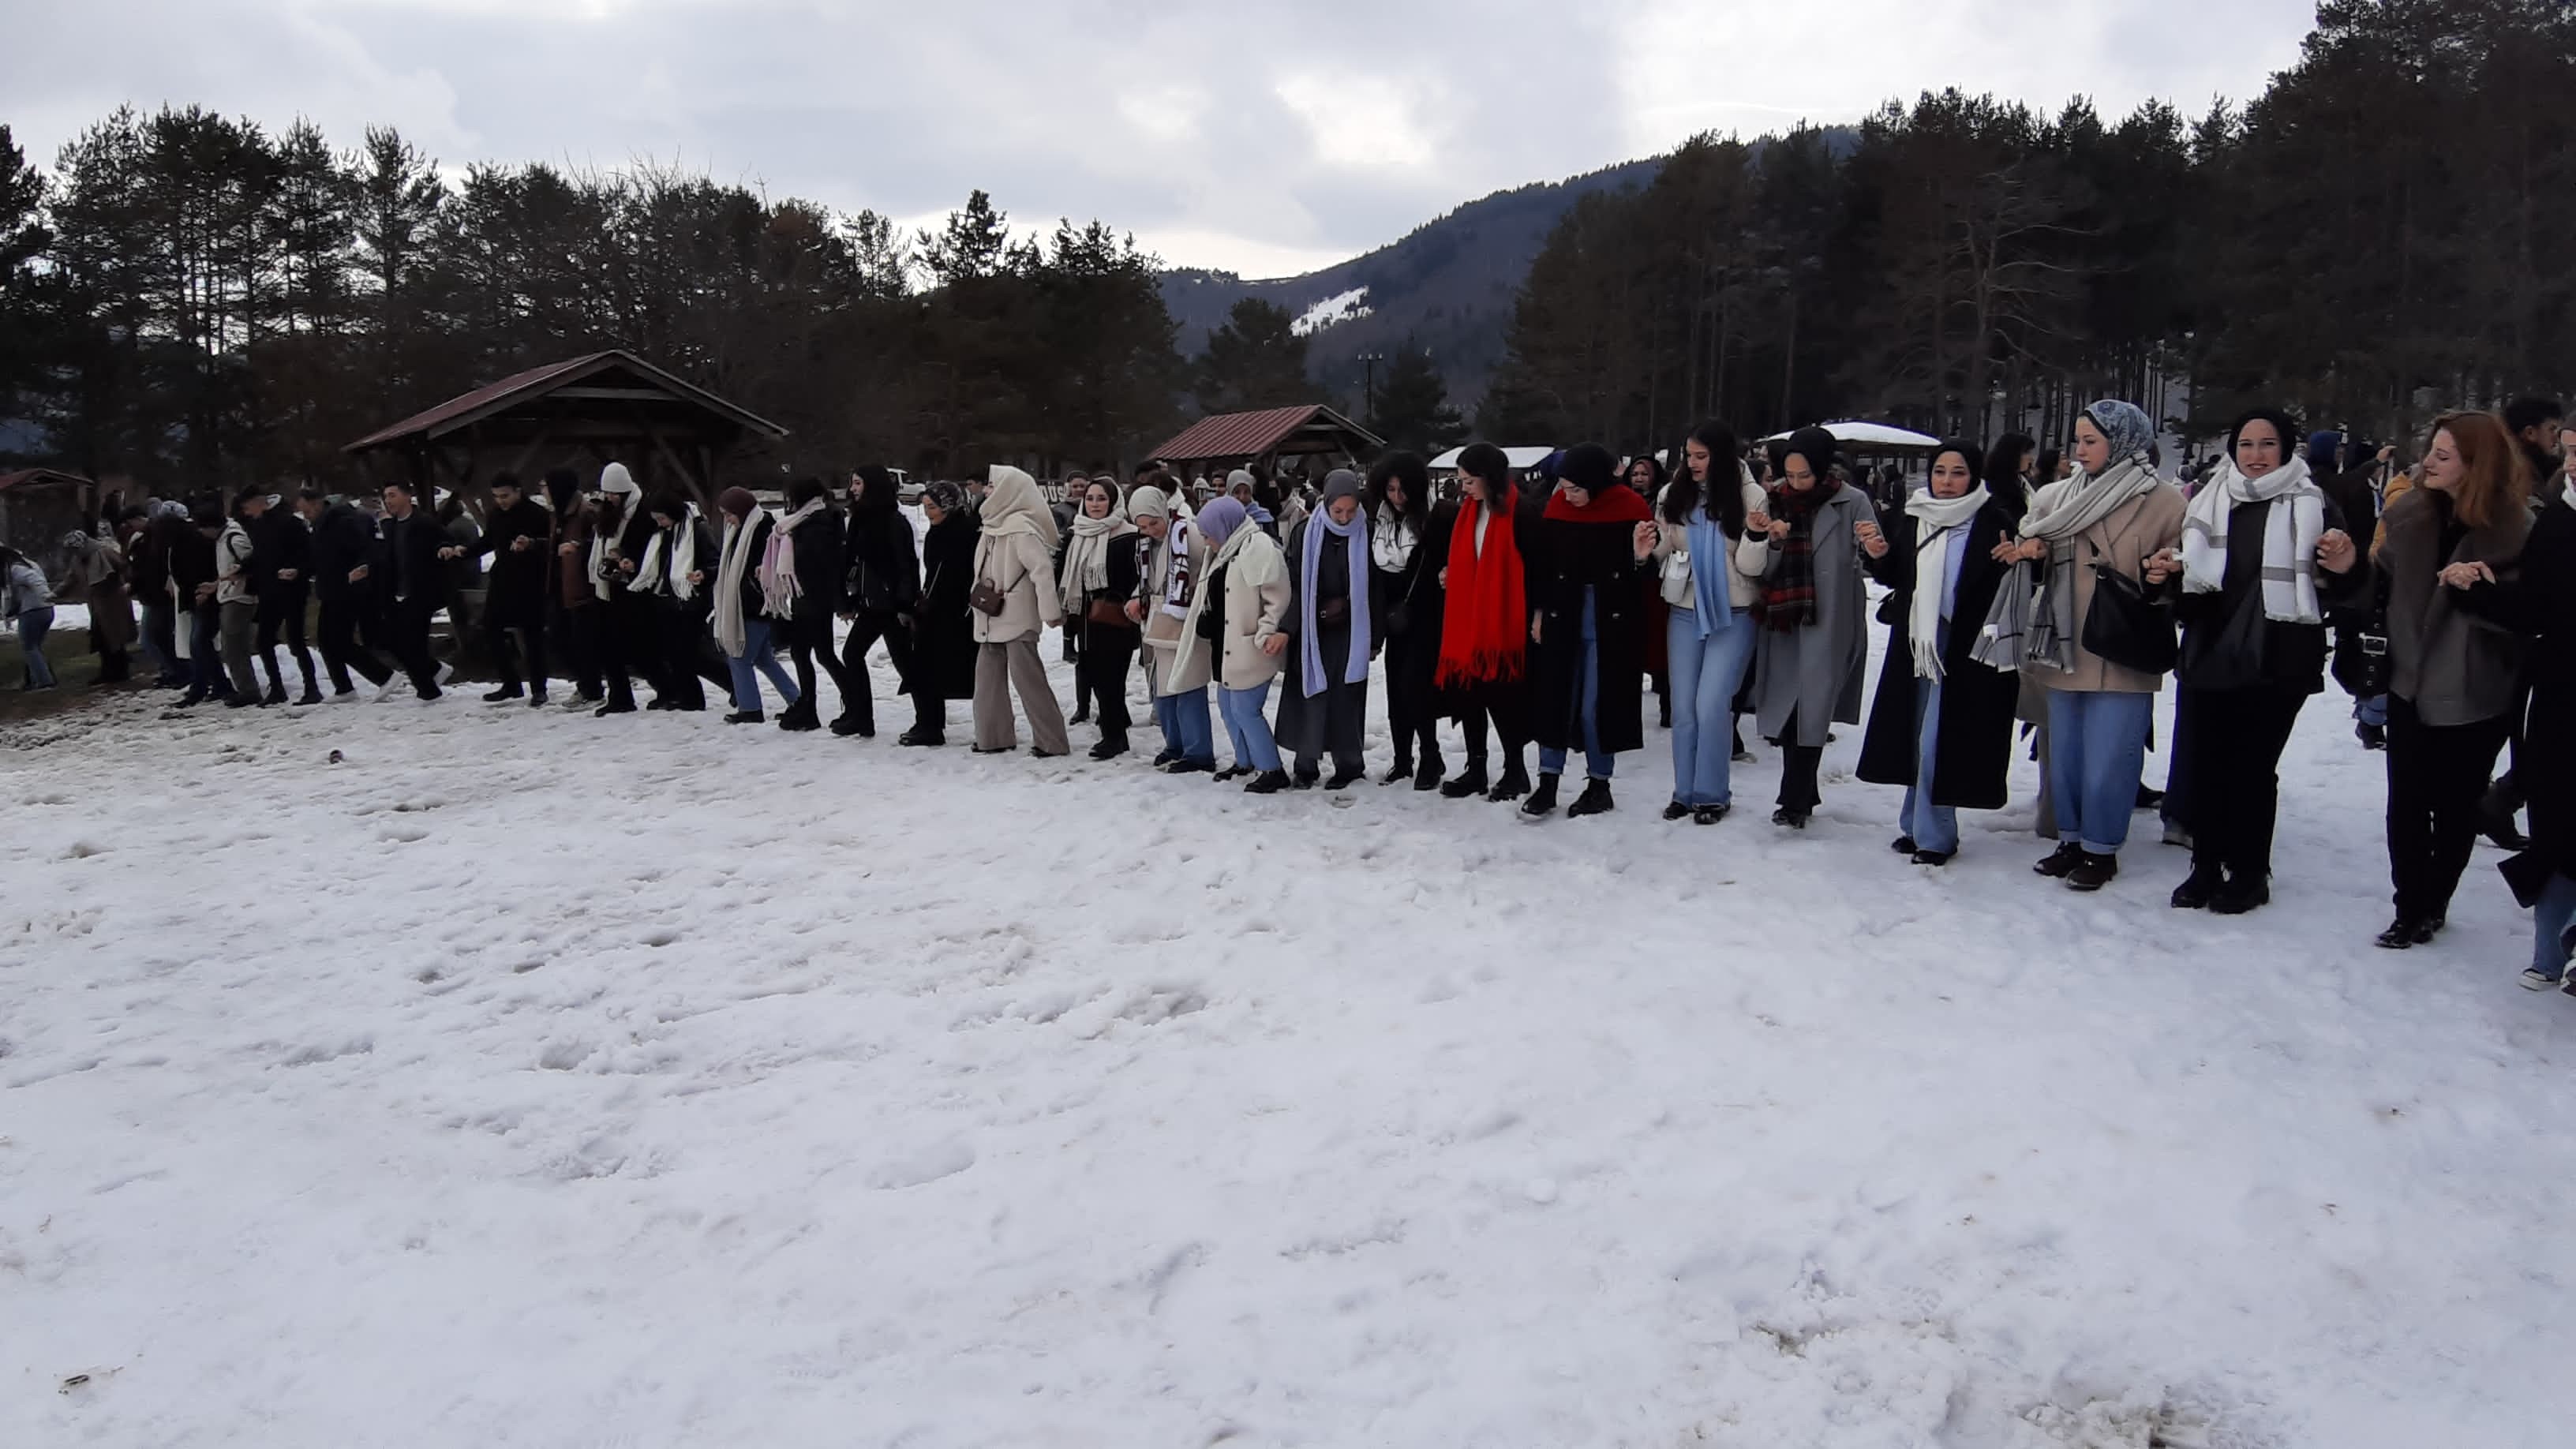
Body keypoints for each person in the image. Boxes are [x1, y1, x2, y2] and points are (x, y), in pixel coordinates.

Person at [2156, 409, 2366, 913]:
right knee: (2207, 763)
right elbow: (2191, 595)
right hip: (2210, 649)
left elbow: (2347, 592)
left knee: (2252, 768)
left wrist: (2345, 565)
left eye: (2267, 444)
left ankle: (2250, 872)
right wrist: (2164, 577)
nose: (2254, 455)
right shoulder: (2208, 502)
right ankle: (2205, 867)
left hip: (2280, 656)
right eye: (2245, 444)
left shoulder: (2316, 504)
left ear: (2288, 448)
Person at [2001, 401, 2185, 889]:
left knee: (2112, 758)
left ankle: (2102, 849)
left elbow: (2184, 576)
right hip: (2063, 640)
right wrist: (2031, 554)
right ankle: (2072, 839)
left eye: (2091, 441)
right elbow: (2028, 550)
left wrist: (2164, 574)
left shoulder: (2165, 500)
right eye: (2077, 440)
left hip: (2124, 642)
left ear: (2123, 441)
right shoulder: (2056, 497)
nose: (2079, 451)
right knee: (2067, 754)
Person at [2373, 411, 2533, 949]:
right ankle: (2408, 906)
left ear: (2476, 464)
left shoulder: (2519, 531)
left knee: (2456, 805)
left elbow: (2531, 618)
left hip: (2476, 693)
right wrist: (2348, 567)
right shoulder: (2410, 516)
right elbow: (2380, 586)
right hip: (2408, 683)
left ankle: (2435, 901)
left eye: (2444, 455)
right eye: (2430, 451)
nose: (2428, 463)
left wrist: (2478, 592)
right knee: (2407, 804)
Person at [1850, 440, 2024, 863]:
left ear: (1975, 476)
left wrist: (2016, 558)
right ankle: (1915, 825)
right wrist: (1876, 554)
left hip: (1967, 648)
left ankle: (1935, 835)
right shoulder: (1915, 516)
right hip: (1918, 642)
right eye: (1940, 471)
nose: (1946, 482)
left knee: (1938, 737)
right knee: (1917, 734)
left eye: (1958, 473)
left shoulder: (1995, 519)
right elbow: (1896, 575)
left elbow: (2016, 575)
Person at [2453, 440, 2575, 991]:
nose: (2572, 464)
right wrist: (2479, 592)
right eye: (2570, 451)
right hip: (2557, 693)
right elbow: (2535, 610)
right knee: (2555, 820)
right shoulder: (2557, 521)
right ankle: (2550, 951)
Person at [1746, 426, 1880, 829]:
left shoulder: (1852, 501)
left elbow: (1874, 551)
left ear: (1822, 469)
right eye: (1791, 474)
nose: (1797, 483)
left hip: (1830, 615)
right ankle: (1801, 793)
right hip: (1784, 616)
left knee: (1812, 708)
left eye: (1805, 475)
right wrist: (1768, 539)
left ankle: (1794, 799)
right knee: (1789, 710)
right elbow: (1759, 571)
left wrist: (1875, 548)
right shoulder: (1773, 502)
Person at [1643, 421, 1767, 824]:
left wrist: (1755, 535)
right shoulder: (1671, 494)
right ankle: (1685, 791)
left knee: (1712, 704)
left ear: (1723, 457)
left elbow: (1752, 567)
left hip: (1733, 612)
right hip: (1685, 608)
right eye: (1688, 455)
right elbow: (1665, 549)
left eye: (1701, 456)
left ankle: (1713, 794)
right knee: (1683, 708)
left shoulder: (1751, 495)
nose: (1692, 463)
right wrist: (1645, 548)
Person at [1522, 443, 1652, 818]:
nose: (1567, 494)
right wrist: (1540, 612)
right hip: (1564, 611)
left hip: (1610, 618)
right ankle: (1547, 781)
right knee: (1555, 696)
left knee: (1597, 704)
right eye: (1563, 486)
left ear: (1595, 483)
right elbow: (1544, 566)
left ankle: (1599, 783)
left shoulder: (1630, 508)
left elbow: (1644, 577)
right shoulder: (1558, 508)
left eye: (1575, 488)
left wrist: (1640, 559)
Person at [1434, 444, 1535, 803]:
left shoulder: (1521, 511)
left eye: (1469, 480)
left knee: (1503, 697)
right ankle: (1476, 768)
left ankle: (1515, 769)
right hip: (1468, 619)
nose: (1463, 487)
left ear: (1489, 478)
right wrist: (1453, 573)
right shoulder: (1468, 512)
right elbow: (1468, 557)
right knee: (1468, 694)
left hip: (1503, 622)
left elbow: (1535, 568)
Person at [1173, 496, 1293, 792]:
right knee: (1228, 706)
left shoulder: (1260, 549)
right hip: (1226, 647)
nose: (1206, 540)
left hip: (1252, 647)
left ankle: (1272, 769)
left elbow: (1277, 598)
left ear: (1223, 527)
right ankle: (1245, 761)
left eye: (1207, 534)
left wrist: (1266, 632)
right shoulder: (1226, 551)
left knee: (1245, 709)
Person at [1276, 470, 1375, 788]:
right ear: (1327, 503)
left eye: (1351, 511)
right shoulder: (1305, 533)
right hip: (1311, 628)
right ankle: (1306, 764)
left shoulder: (1367, 533)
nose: (1345, 518)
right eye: (1338, 511)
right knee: (1312, 695)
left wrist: (1376, 637)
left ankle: (1349, 764)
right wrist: (1288, 628)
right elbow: (1292, 583)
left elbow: (1377, 587)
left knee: (1346, 698)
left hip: (1351, 629)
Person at [969, 465, 1071, 757]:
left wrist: (1050, 611)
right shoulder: (992, 523)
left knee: (1029, 681)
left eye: (992, 485)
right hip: (989, 613)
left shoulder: (1021, 529)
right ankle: (993, 737)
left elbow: (1042, 572)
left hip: (1016, 615)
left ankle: (1052, 741)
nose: (986, 491)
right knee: (987, 682)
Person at [1367, 451, 1448, 789]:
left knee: (1418, 689)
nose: (1397, 498)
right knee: (1395, 691)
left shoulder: (1434, 520)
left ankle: (1431, 755)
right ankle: (1403, 759)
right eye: (1391, 490)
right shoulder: (1380, 520)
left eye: (1403, 490)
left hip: (1425, 616)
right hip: (1392, 617)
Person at [1129, 484, 1217, 774]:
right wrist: (1135, 598)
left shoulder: (1187, 533)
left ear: (1164, 512)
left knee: (1187, 686)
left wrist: (1194, 592)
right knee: (1162, 690)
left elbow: (1210, 565)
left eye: (1153, 523)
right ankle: (1175, 744)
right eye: (1142, 526)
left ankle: (1198, 751)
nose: (1149, 530)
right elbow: (1147, 579)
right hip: (1156, 621)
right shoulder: (1144, 543)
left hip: (1183, 619)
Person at [834, 466, 920, 738]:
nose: (853, 489)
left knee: (905, 663)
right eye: (852, 483)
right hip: (871, 604)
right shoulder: (861, 518)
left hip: (891, 605)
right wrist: (851, 599)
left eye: (858, 483)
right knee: (852, 654)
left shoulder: (893, 521)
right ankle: (861, 719)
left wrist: (905, 605)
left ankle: (929, 721)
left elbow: (906, 565)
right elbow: (857, 564)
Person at [1061, 477, 1142, 759]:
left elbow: (1135, 578)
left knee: (1112, 679)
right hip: (1085, 620)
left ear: (1114, 501)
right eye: (1091, 499)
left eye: (1102, 498)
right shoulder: (1078, 533)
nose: (1095, 504)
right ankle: (1116, 724)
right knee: (1094, 677)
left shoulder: (1129, 534)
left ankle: (1114, 737)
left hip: (1115, 617)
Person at [710, 486, 801, 724]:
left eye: (729, 514)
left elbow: (764, 565)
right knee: (762, 658)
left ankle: (750, 709)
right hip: (747, 602)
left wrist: (754, 582)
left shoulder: (762, 529)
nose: (727, 520)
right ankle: (798, 701)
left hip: (754, 604)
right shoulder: (739, 530)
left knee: (738, 657)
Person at [903, 481, 979, 746]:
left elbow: (951, 573)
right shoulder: (939, 530)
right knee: (926, 669)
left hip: (953, 612)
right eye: (924, 506)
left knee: (929, 668)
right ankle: (929, 723)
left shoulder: (961, 531)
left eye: (932, 507)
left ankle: (930, 725)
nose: (927, 513)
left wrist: (928, 601)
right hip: (938, 609)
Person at [294, 489, 391, 696]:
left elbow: (366, 549)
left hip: (348, 590)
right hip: (330, 590)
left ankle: (384, 676)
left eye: (306, 511)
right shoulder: (319, 527)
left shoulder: (341, 522)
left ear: (317, 504)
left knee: (340, 641)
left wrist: (362, 566)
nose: (305, 516)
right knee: (325, 641)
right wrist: (299, 571)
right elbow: (320, 560)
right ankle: (343, 688)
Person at [770, 476, 848, 732]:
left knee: (822, 654)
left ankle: (851, 700)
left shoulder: (818, 523)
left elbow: (818, 562)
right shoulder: (805, 520)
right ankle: (808, 706)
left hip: (815, 598)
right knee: (802, 653)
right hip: (805, 596)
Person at [470, 473, 554, 706]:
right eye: (496, 496)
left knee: (532, 635)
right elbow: (489, 541)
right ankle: (510, 683)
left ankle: (539, 688)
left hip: (530, 582)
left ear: (518, 491)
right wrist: (464, 552)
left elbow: (550, 548)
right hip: (502, 580)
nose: (501, 501)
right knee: (490, 628)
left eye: (505, 496)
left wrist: (530, 546)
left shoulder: (538, 515)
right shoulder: (496, 515)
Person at [630, 492, 717, 711]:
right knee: (674, 652)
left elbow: (714, 560)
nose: (660, 523)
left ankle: (695, 698)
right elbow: (657, 563)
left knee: (687, 653)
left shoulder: (697, 530)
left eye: (662, 518)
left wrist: (703, 574)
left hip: (689, 598)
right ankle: (685, 695)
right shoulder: (662, 534)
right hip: (665, 599)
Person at [375, 480, 460, 701]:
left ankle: (428, 691)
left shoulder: (423, 522)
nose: (388, 501)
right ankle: (432, 671)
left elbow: (443, 539)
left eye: (393, 495)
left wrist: (443, 548)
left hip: (421, 592)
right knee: (392, 640)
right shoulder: (392, 526)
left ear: (407, 496)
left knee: (411, 644)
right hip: (397, 593)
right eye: (386, 496)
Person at [592, 462, 659, 715]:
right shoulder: (610, 514)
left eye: (614, 493)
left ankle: (663, 688)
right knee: (609, 646)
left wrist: (629, 559)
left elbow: (651, 548)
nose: (609, 498)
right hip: (609, 588)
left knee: (638, 647)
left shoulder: (642, 513)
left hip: (634, 589)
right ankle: (620, 696)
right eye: (607, 493)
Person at [542, 470, 606, 708]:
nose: (543, 492)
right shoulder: (556, 515)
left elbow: (601, 543)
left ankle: (592, 689)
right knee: (558, 639)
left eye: (546, 486)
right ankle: (584, 684)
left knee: (583, 642)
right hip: (559, 585)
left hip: (581, 587)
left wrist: (578, 548)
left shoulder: (586, 513)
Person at [54, 529, 134, 685]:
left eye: (75, 549)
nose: (74, 552)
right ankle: (108, 671)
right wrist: (55, 594)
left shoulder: (104, 552)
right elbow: (71, 578)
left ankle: (119, 671)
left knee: (114, 637)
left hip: (113, 602)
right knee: (102, 638)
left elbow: (125, 567)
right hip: (97, 605)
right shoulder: (78, 560)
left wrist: (130, 584)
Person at [214, 489, 265, 706]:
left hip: (239, 597)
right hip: (230, 594)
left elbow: (252, 563)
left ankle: (248, 689)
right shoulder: (226, 537)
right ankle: (245, 687)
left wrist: (239, 575)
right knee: (232, 647)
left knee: (234, 647)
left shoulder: (234, 538)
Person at [126, 505, 183, 687]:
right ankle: (171, 670)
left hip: (157, 595)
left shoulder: (153, 540)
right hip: (152, 594)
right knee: (157, 637)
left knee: (154, 637)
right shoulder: (144, 540)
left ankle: (175, 670)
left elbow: (149, 568)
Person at [2, 545, 55, 690]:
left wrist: (46, 595)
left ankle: (44, 682)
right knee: (35, 647)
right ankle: (36, 680)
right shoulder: (29, 563)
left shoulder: (16, 569)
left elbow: (35, 581)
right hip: (46, 609)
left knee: (29, 648)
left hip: (32, 611)